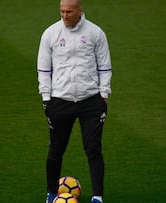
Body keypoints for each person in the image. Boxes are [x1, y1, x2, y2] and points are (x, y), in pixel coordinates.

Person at [37, 0, 112, 202]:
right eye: (61, 11)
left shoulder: (96, 33)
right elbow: (43, 69)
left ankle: (97, 197)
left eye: (69, 11)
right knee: (56, 149)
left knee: (93, 148)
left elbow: (104, 66)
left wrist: (103, 95)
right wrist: (46, 99)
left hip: (90, 102)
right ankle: (51, 193)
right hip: (60, 101)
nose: (65, 15)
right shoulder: (50, 34)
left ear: (80, 10)